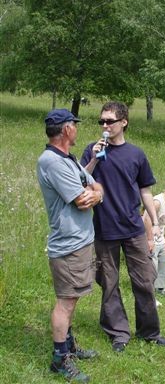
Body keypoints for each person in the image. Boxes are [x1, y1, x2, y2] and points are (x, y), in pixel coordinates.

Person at [81, 101, 165, 353]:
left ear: (123, 122)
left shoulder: (136, 154)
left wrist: (154, 222)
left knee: (143, 280)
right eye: (102, 121)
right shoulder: (92, 150)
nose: (105, 125)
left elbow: (145, 190)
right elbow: (81, 181)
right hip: (104, 228)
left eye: (109, 121)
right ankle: (118, 333)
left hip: (132, 228)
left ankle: (149, 332)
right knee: (109, 283)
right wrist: (94, 161)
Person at [37, 109, 104, 383]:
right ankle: (59, 359)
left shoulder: (70, 159)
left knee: (73, 298)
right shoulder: (51, 161)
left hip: (81, 240)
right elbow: (81, 199)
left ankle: (69, 346)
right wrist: (94, 195)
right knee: (65, 302)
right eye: (74, 125)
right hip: (67, 245)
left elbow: (95, 186)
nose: (77, 129)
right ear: (66, 130)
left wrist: (96, 193)